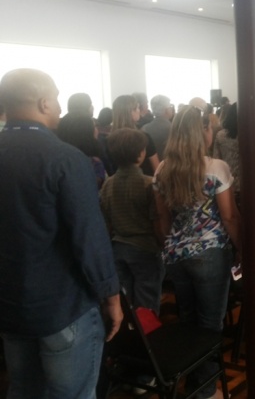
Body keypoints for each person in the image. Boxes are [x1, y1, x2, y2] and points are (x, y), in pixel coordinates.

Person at [0, 68, 122, 398]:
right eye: (55, 98)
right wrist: (111, 296)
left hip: (9, 304)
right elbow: (89, 238)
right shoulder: (65, 159)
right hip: (62, 306)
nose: (58, 106)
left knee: (23, 388)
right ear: (43, 103)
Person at [153, 106, 242, 398]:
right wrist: (242, 248)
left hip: (176, 255)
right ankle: (205, 390)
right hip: (210, 253)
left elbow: (163, 219)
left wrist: (173, 246)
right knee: (210, 324)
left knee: (188, 322)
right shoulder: (216, 168)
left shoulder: (163, 169)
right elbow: (229, 217)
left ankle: (192, 383)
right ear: (202, 131)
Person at [101, 128, 164, 314]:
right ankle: (147, 332)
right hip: (145, 248)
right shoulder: (149, 184)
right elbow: (157, 221)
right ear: (141, 154)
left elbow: (106, 221)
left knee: (125, 303)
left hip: (118, 248)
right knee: (147, 303)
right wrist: (162, 244)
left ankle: (131, 331)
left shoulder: (108, 184)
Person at [112, 94, 160, 176]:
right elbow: (157, 169)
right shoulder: (143, 138)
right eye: (137, 108)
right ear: (129, 112)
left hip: (117, 183)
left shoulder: (109, 140)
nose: (139, 110)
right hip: (144, 181)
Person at [56, 113, 107, 189]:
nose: (97, 130)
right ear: (87, 132)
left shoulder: (61, 158)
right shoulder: (95, 161)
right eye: (94, 126)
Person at [212, 102, 240, 193]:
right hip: (249, 181)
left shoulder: (221, 135)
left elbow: (216, 158)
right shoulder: (253, 135)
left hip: (227, 180)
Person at [142, 94, 173, 160]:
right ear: (166, 110)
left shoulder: (144, 128)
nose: (171, 108)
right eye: (170, 106)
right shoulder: (174, 129)